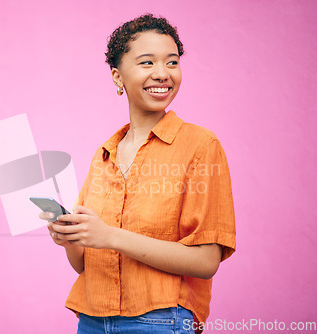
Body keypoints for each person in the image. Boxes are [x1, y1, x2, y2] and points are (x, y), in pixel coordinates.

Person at [40, 13, 236, 334]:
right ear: (118, 77)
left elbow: (206, 262)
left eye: (172, 63)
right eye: (147, 63)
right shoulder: (104, 154)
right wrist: (69, 239)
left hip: (161, 321)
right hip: (91, 321)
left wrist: (110, 236)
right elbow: (84, 265)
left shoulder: (200, 145)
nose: (162, 74)